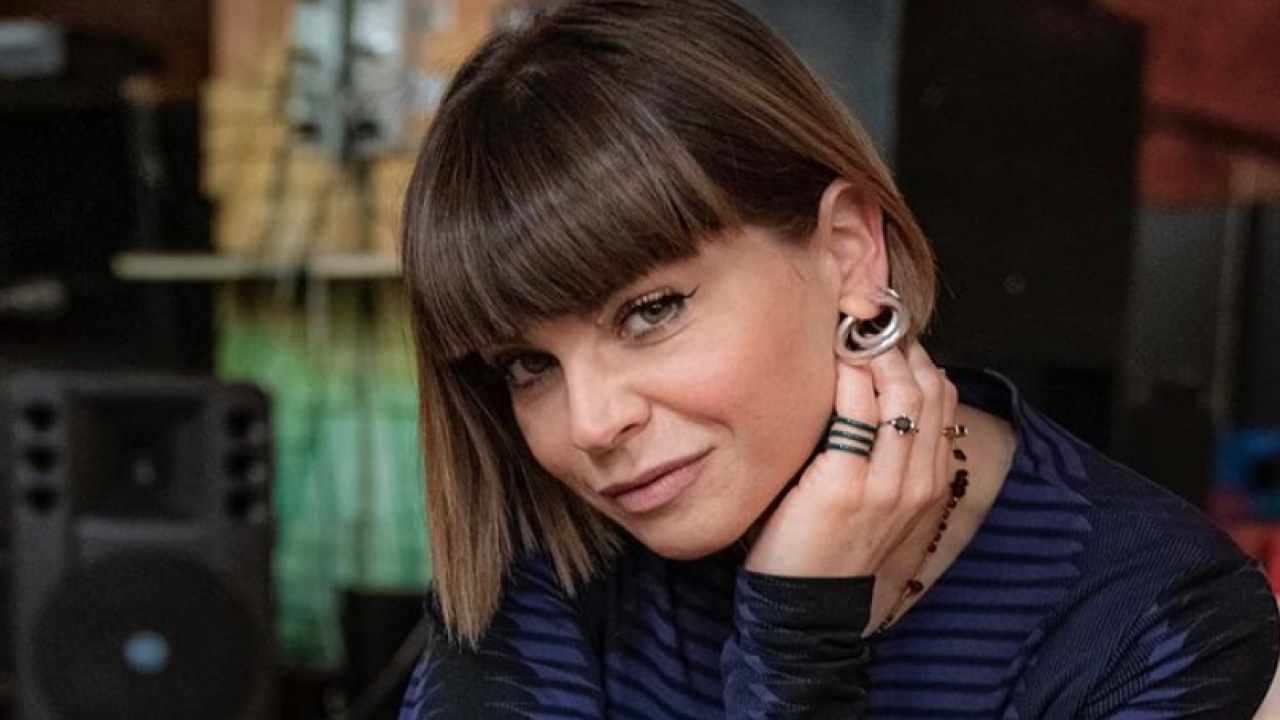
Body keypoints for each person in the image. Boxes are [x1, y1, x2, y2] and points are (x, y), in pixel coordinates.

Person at [396, 0, 1280, 716]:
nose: (590, 426)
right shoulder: (557, 550)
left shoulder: (1152, 618)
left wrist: (797, 638)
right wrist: (796, 632)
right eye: (528, 365)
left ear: (850, 251)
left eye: (650, 312)